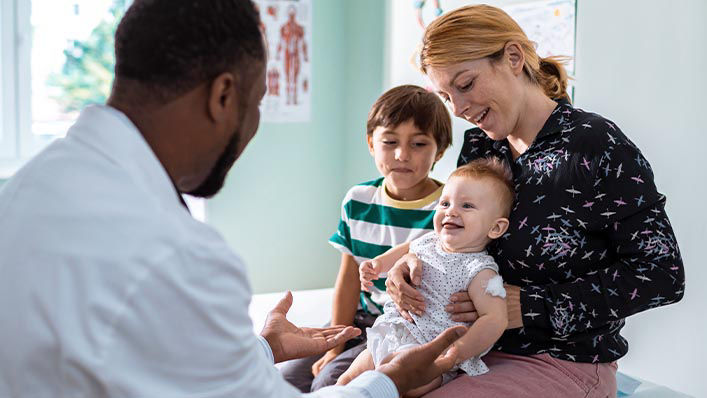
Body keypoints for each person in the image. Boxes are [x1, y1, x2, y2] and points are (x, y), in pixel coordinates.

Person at [0, 1, 467, 397]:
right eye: (258, 101)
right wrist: (387, 382)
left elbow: (153, 356)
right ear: (224, 95)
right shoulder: (178, 253)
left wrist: (265, 349)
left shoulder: (29, 187)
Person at [382, 4, 685, 397]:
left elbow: (662, 275)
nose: (457, 109)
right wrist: (412, 262)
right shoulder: (481, 144)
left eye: (466, 84)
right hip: (472, 351)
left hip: (562, 361)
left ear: (512, 57)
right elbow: (459, 237)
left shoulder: (595, 145)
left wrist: (531, 307)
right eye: (445, 94)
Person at [279, 84, 453, 391]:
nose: (402, 155)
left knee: (330, 382)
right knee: (286, 378)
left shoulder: (445, 210)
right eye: (389, 141)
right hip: (357, 320)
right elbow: (348, 278)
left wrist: (336, 358)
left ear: (439, 150)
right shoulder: (358, 201)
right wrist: (335, 342)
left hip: (399, 328)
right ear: (371, 143)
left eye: (418, 144)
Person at [337, 158, 513, 397]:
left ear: (495, 228)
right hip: (392, 333)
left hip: (428, 354)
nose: (451, 211)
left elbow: (495, 319)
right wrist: (377, 265)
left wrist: (457, 351)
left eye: (467, 206)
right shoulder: (430, 241)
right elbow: (404, 250)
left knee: (391, 387)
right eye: (445, 203)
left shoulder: (479, 270)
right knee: (346, 380)